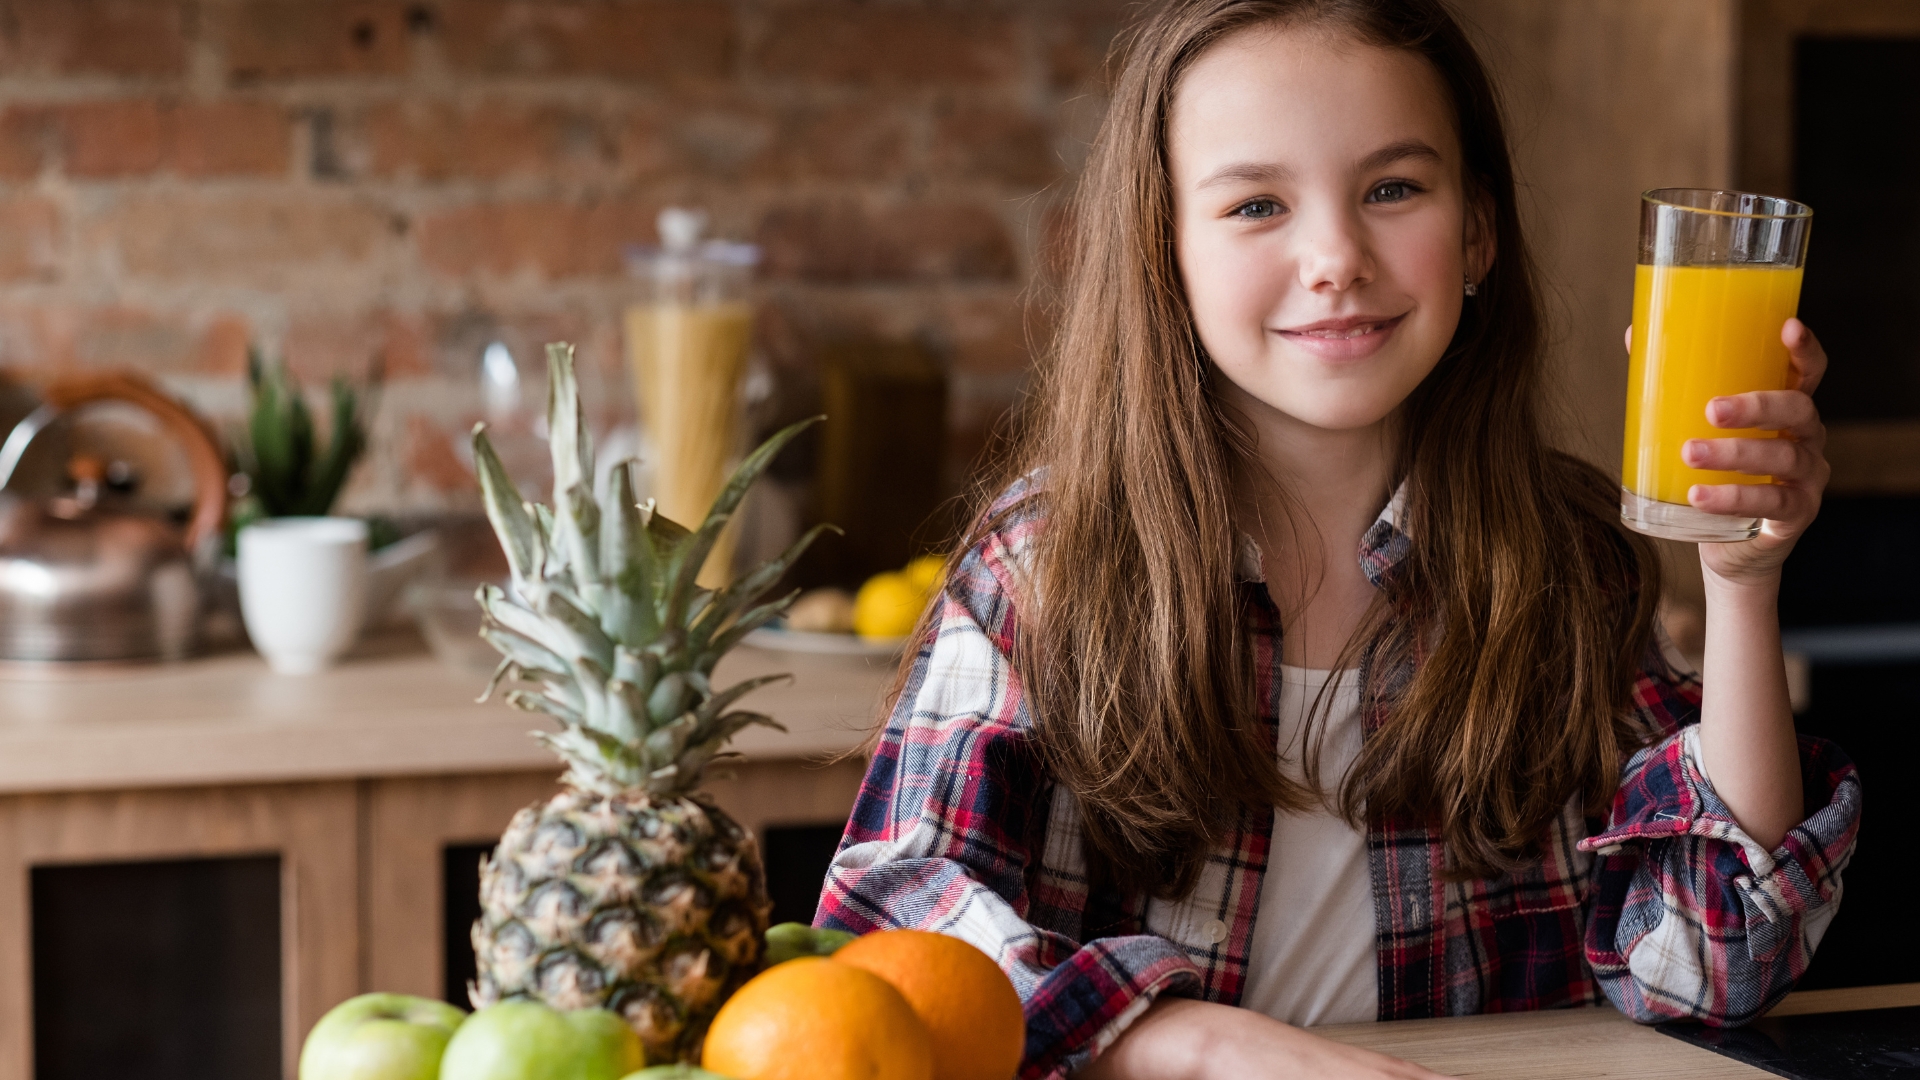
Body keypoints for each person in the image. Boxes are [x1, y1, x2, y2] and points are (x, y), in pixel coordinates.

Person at [813, 1, 1861, 1077]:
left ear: (1479, 235)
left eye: (1394, 190)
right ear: (1163, 252)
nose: (1336, 258)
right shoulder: (1046, 565)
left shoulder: (1559, 558)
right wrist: (1192, 1042)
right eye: (1257, 203)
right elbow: (888, 943)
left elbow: (1711, 963)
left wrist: (1742, 583)